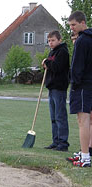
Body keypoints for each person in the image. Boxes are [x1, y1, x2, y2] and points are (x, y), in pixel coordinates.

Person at [66, 11, 92, 167]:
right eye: (70, 25)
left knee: (83, 121)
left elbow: (77, 66)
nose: (72, 28)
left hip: (83, 85)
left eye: (73, 25)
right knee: (90, 121)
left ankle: (85, 157)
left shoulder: (82, 41)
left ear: (83, 22)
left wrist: (74, 83)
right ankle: (88, 151)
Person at [42, 31, 70, 152]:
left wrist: (47, 62)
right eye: (49, 41)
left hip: (59, 88)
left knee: (60, 116)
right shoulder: (52, 52)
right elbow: (50, 67)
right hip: (52, 88)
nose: (50, 43)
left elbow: (57, 67)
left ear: (59, 40)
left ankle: (63, 143)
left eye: (53, 40)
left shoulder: (63, 51)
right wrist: (46, 64)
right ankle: (56, 141)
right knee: (53, 117)